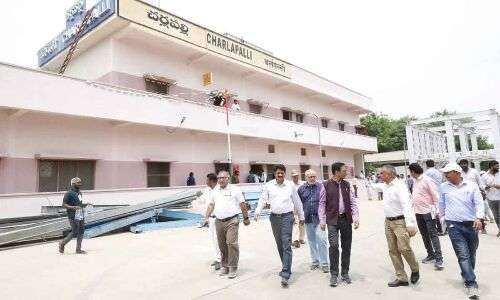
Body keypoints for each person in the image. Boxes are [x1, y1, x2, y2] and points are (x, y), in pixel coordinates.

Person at [254, 164, 305, 288]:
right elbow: (262, 199)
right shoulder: (269, 185)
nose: (280, 175)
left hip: (287, 217)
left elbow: (297, 201)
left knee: (286, 244)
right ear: (275, 174)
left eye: (282, 172)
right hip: (274, 218)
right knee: (280, 245)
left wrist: (302, 217)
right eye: (278, 173)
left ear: (284, 174)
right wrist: (257, 211)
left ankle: (285, 274)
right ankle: (286, 267)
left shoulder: (290, 185)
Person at [439, 163, 484, 299]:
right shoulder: (443, 187)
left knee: (472, 253)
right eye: (444, 173)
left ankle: (466, 274)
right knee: (463, 255)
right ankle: (471, 284)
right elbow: (441, 204)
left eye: (448, 172)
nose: (445, 175)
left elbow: (479, 202)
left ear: (458, 173)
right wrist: (443, 219)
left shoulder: (471, 185)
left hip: (471, 225)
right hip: (454, 225)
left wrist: (479, 218)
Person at [373, 165, 419, 287]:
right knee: (393, 250)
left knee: (404, 248)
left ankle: (415, 269)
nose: (380, 175)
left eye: (382, 173)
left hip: (400, 222)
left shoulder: (400, 186)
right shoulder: (385, 186)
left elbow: (406, 205)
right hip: (388, 222)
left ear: (390, 174)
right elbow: (374, 186)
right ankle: (402, 277)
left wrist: (410, 224)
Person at [203, 171, 250, 279]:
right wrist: (206, 217)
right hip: (219, 221)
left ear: (228, 178)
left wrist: (246, 218)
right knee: (222, 245)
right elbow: (211, 205)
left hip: (232, 221)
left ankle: (233, 267)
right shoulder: (215, 191)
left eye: (223, 178)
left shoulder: (235, 189)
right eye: (219, 178)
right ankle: (225, 266)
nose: (220, 180)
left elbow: (242, 204)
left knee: (231, 243)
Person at [319, 162, 360, 287]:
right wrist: (322, 220)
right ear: (336, 172)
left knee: (346, 247)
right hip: (332, 221)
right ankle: (334, 274)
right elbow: (321, 204)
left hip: (346, 220)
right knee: (334, 245)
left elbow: (353, 202)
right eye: (344, 170)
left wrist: (356, 217)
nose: (346, 172)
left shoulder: (347, 185)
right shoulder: (325, 185)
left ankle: (345, 273)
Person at [408, 163, 444, 270]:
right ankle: (431, 254)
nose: (410, 174)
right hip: (418, 212)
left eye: (410, 171)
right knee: (424, 235)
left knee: (433, 235)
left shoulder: (427, 180)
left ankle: (439, 259)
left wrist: (437, 212)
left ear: (413, 171)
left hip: (428, 212)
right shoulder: (415, 181)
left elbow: (435, 196)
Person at [297, 169, 329, 273]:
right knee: (311, 242)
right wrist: (299, 217)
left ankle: (324, 263)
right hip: (307, 219)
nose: (312, 178)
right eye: (310, 177)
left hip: (319, 219)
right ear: (305, 177)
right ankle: (315, 261)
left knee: (322, 241)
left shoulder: (321, 187)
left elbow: (326, 202)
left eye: (314, 176)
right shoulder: (301, 189)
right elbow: (298, 204)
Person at [59, 177, 89, 254]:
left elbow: (80, 204)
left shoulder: (79, 193)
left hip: (80, 214)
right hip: (72, 215)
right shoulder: (68, 193)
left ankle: (78, 249)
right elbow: (64, 204)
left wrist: (86, 205)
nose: (80, 184)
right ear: (73, 184)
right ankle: (62, 243)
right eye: (78, 182)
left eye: (80, 182)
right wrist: (73, 207)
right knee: (75, 231)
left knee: (81, 231)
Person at [459, 159, 487, 234]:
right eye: (461, 164)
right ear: (460, 165)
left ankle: (482, 227)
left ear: (467, 164)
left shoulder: (474, 171)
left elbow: (479, 181)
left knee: (479, 209)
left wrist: (483, 190)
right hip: (464, 194)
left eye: (464, 163)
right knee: (468, 210)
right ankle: (471, 227)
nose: (463, 165)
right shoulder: (459, 172)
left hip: (475, 193)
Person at [200, 173, 221, 270]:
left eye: (207, 180)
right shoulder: (207, 190)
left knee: (219, 239)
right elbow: (205, 202)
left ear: (211, 181)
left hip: (218, 218)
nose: (206, 181)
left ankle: (221, 260)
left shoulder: (219, 190)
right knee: (214, 240)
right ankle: (218, 258)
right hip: (211, 218)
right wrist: (206, 218)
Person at [482, 160, 500, 237]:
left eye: (498, 166)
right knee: (496, 216)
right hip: (491, 198)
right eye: (496, 166)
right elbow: (482, 185)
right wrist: (486, 187)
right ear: (491, 166)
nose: (498, 167)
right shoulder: (485, 176)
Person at [291, 169, 306, 248]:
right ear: (292, 177)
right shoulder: (290, 185)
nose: (295, 177)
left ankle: (301, 238)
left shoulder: (302, 184)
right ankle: (296, 240)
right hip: (293, 206)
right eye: (294, 176)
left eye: (296, 176)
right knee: (295, 223)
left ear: (298, 176)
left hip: (302, 205)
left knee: (302, 222)